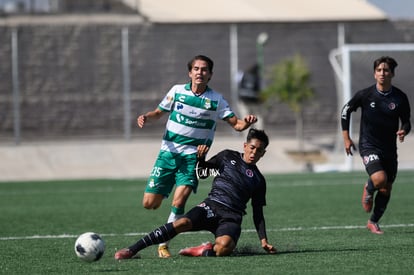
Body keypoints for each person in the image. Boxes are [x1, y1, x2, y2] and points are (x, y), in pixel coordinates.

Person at [136, 55, 258, 257]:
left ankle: (163, 245)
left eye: (204, 69)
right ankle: (163, 209)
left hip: (193, 158)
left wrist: (246, 122)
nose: (200, 72)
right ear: (190, 72)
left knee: (179, 201)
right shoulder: (177, 91)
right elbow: (158, 113)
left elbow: (236, 124)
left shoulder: (216, 100)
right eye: (196, 69)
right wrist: (145, 118)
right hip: (168, 154)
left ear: (210, 74)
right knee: (150, 204)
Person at [115, 128, 277, 259]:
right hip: (211, 205)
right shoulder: (227, 156)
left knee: (224, 248)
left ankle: (203, 250)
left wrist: (263, 240)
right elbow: (203, 173)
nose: (254, 153)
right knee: (181, 223)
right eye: (252, 148)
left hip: (232, 216)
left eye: (259, 150)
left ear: (263, 153)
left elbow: (258, 212)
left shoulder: (259, 180)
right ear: (245, 146)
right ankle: (132, 250)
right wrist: (200, 158)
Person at [341, 56, 411, 234]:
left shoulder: (400, 97)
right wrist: (346, 138)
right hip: (368, 144)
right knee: (380, 179)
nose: (382, 73)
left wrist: (404, 130)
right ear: (374, 73)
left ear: (392, 74)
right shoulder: (365, 95)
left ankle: (373, 222)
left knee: (387, 187)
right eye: (379, 70)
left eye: (386, 70)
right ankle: (369, 187)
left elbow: (407, 122)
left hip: (389, 149)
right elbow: (345, 111)